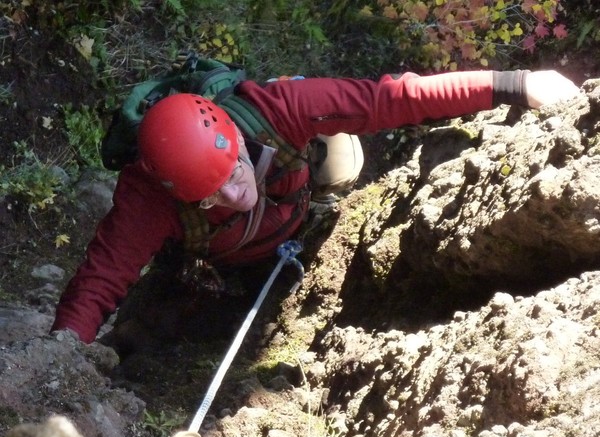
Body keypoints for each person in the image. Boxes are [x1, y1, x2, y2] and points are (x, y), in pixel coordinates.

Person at [50, 67, 580, 345]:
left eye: (234, 171)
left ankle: (316, 211)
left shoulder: (276, 108)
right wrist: (60, 356)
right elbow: (98, 283)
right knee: (165, 309)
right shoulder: (147, 198)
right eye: (212, 195)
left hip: (294, 202)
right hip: (226, 253)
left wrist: (513, 85)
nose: (235, 192)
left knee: (345, 156)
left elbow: (389, 97)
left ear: (233, 133)